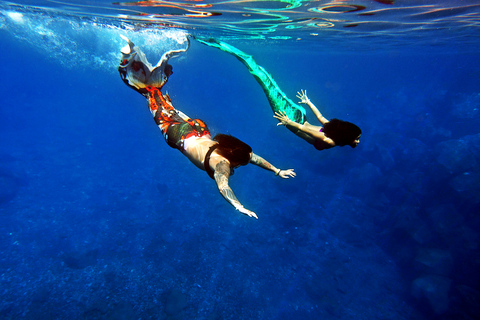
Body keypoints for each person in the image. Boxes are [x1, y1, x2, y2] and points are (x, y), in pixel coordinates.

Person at [118, 36, 296, 219]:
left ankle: (133, 55)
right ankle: (129, 62)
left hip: (198, 129)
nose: (240, 165)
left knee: (165, 105)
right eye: (240, 163)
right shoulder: (222, 164)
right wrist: (239, 206)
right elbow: (223, 187)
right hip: (180, 135)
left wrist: (277, 170)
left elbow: (254, 158)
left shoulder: (232, 149)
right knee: (150, 95)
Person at [194, 37, 362, 151]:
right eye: (357, 137)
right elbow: (306, 129)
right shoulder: (331, 141)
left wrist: (308, 103)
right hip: (290, 117)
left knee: (267, 79)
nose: (358, 141)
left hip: (299, 113)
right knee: (262, 77)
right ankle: (218, 44)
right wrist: (289, 121)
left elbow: (321, 118)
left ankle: (221, 45)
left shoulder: (332, 132)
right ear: (347, 135)